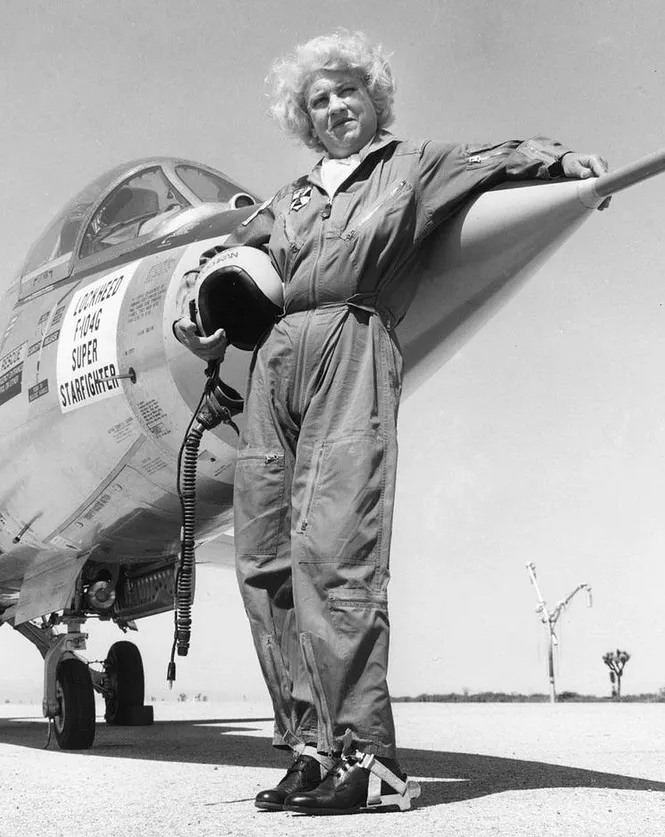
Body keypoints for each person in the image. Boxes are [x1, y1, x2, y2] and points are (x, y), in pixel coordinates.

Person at [174, 29, 608, 816]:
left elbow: (500, 159)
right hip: (275, 361)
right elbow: (222, 266)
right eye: (320, 99)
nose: (336, 106)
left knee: (337, 551)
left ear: (374, 97)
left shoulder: (414, 166)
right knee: (264, 559)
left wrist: (562, 162)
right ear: (304, 120)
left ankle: (370, 759)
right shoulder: (291, 199)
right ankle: (309, 744)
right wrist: (198, 320)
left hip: (352, 341)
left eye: (348, 91)